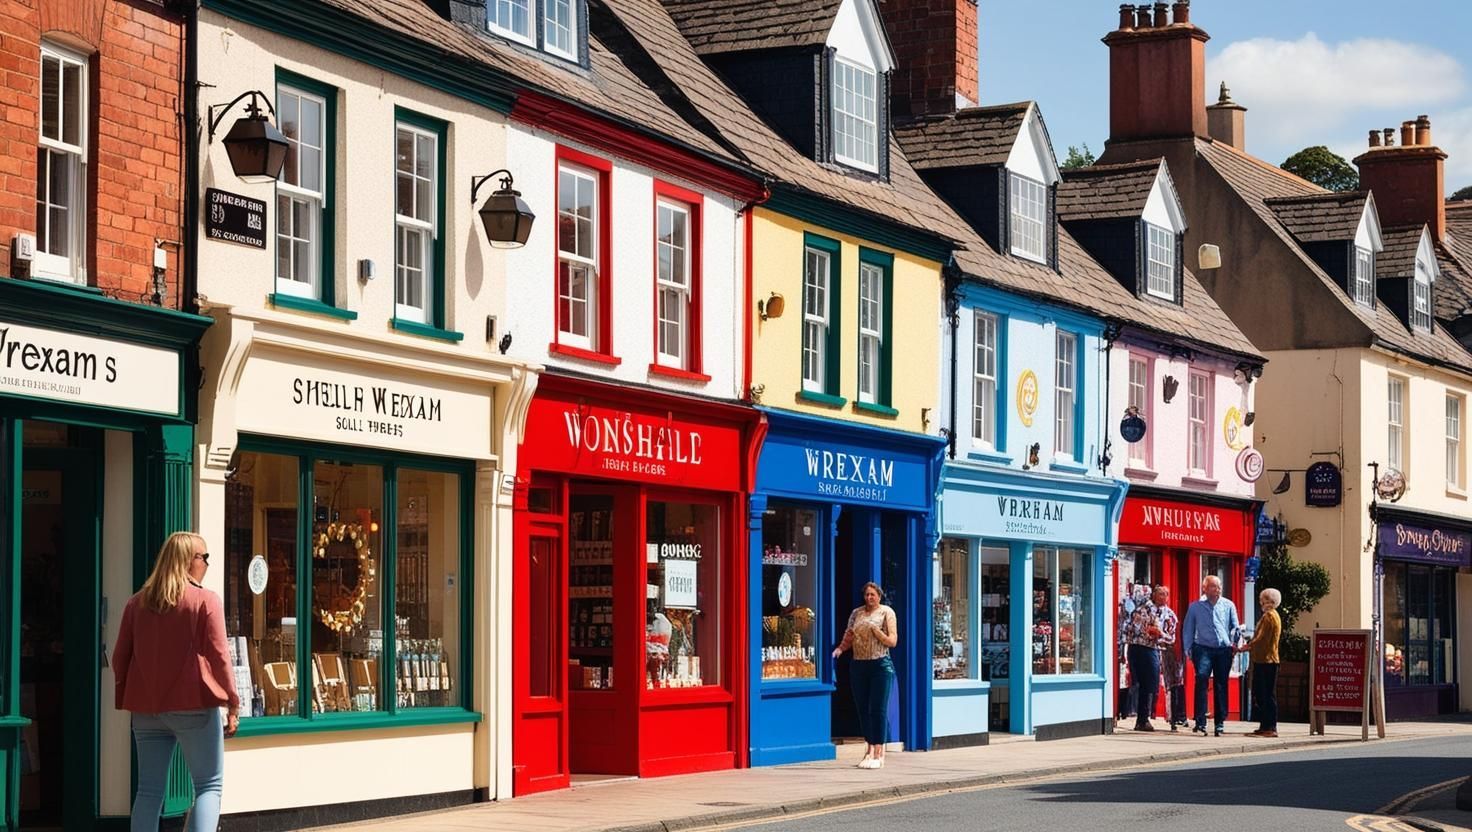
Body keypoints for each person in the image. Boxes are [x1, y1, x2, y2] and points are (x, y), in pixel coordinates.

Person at [113, 532, 240, 831]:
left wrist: (128, 695)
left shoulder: (137, 603)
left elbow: (120, 658)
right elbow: (220, 656)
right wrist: (233, 703)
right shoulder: (205, 600)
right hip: (193, 706)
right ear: (187, 561)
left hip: (146, 710)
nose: (207, 564)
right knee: (208, 786)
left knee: (148, 791)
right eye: (203, 557)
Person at [832, 582, 898, 769]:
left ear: (879, 596)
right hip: (859, 664)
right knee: (863, 709)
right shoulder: (857, 613)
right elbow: (849, 636)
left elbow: (893, 641)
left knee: (878, 709)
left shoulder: (887, 613)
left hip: (880, 664)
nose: (869, 598)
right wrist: (840, 649)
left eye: (873, 595)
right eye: (867, 595)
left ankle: (879, 751)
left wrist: (876, 632)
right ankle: (869, 749)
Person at [1181, 575, 1240, 737]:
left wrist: (1235, 643)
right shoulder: (1195, 607)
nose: (1218, 589)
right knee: (1201, 679)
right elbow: (1188, 629)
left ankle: (1219, 722)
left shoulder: (1228, 605)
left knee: (1221, 684)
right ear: (1204, 588)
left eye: (1219, 586)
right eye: (1213, 586)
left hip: (1223, 649)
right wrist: (1188, 649)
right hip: (1202, 648)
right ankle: (1200, 721)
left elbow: (1235, 627)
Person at [1238, 587, 1283, 738]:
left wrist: (1246, 647)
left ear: (1269, 601)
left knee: (1265, 694)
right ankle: (1265, 725)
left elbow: (1261, 638)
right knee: (1264, 694)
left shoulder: (1269, 616)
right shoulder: (1273, 615)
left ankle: (1270, 726)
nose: (1260, 602)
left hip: (1266, 660)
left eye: (1262, 599)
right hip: (1267, 660)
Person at [1121, 585, 1161, 731]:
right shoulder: (1147, 610)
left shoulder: (1132, 610)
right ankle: (1142, 719)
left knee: (1140, 684)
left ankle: (1140, 718)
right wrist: (1159, 634)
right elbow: (1149, 631)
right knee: (1148, 684)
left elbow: (1127, 631)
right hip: (1146, 649)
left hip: (1134, 648)